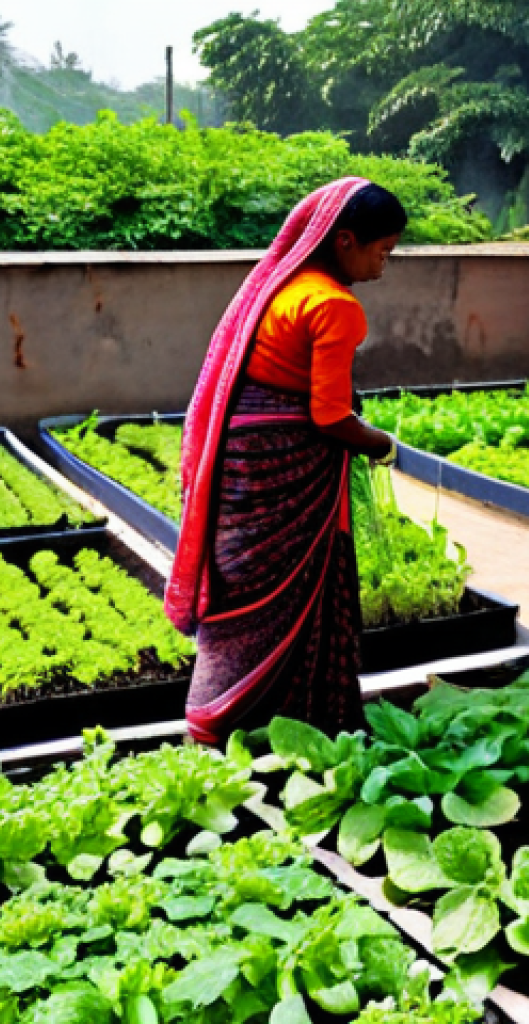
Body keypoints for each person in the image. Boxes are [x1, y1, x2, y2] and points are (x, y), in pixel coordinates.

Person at [165, 177, 405, 746]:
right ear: (345, 240)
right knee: (291, 596)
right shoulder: (335, 306)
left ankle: (216, 718)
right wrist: (382, 444)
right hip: (290, 466)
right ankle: (299, 724)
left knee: (241, 589)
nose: (384, 264)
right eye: (383, 250)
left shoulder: (282, 287)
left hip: (241, 460)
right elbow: (330, 417)